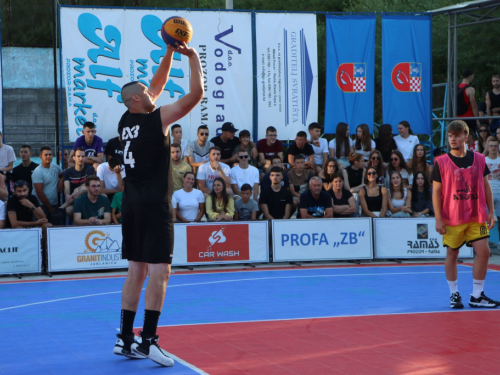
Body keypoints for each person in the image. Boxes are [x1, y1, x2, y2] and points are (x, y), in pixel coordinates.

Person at [114, 41, 203, 366]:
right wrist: (192, 57)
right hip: (154, 205)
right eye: (146, 92)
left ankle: (124, 339)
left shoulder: (127, 120)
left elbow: (155, 85)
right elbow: (195, 96)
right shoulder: (157, 121)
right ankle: (148, 340)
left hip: (133, 204)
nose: (155, 92)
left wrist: (169, 51)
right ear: (138, 98)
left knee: (135, 269)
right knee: (161, 271)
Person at [433, 120, 499, 309]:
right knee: (452, 253)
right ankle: (454, 293)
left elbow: (486, 186)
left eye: (456, 135)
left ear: (465, 137)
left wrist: (491, 211)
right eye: (450, 136)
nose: (453, 139)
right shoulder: (441, 162)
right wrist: (438, 218)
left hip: (476, 215)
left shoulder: (479, 158)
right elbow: (436, 192)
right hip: (452, 217)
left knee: (484, 252)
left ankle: (477, 295)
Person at [32, 147, 64, 225]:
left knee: (56, 229)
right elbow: (39, 192)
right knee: (41, 228)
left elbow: (63, 174)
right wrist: (49, 207)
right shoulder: (38, 172)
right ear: (40, 156)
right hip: (40, 205)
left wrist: (60, 180)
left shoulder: (55, 166)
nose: (48, 156)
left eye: (50, 154)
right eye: (46, 155)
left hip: (54, 204)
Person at [61, 147, 95, 220]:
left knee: (84, 188)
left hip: (87, 199)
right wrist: (67, 195)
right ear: (74, 158)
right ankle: (77, 224)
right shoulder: (67, 172)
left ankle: (63, 206)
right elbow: (66, 187)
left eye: (83, 156)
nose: (81, 158)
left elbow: (88, 183)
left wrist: (77, 189)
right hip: (74, 201)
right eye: (78, 156)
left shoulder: (90, 169)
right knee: (68, 210)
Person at [485, 137, 500, 245]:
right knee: (485, 220)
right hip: (487, 194)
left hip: (499, 193)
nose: (493, 148)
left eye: (495, 145)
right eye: (491, 145)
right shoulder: (483, 160)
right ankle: (484, 244)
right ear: (487, 147)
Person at [457, 69, 481, 135]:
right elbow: (474, 106)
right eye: (472, 76)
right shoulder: (470, 89)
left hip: (458, 117)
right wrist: (477, 120)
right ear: (470, 76)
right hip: (469, 117)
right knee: (469, 137)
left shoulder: (456, 88)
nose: (472, 78)